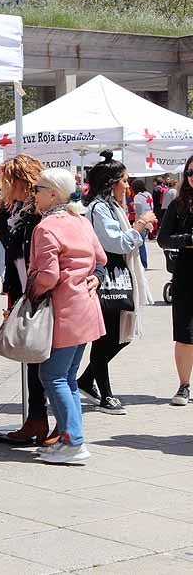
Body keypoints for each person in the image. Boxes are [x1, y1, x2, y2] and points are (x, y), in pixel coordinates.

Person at [28, 169, 106, 465]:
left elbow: (47, 276)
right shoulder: (80, 220)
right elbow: (101, 258)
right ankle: (70, 437)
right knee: (67, 377)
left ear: (53, 193)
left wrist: (31, 294)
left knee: (52, 376)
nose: (34, 194)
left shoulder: (47, 226)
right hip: (85, 308)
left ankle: (73, 439)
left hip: (64, 310)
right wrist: (95, 275)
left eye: (38, 189)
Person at [78, 151, 154, 416]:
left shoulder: (113, 207)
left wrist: (137, 230)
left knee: (122, 336)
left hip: (119, 274)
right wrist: (140, 226)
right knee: (109, 336)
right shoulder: (99, 208)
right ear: (111, 182)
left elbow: (127, 241)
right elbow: (116, 242)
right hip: (106, 276)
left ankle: (86, 380)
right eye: (124, 180)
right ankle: (105, 394)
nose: (128, 185)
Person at [0, 155, 53, 445]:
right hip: (23, 292)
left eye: (7, 182)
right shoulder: (14, 211)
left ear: (19, 182)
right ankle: (36, 419)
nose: (3, 187)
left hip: (42, 292)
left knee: (46, 362)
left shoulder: (40, 213)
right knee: (30, 357)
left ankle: (54, 423)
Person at [159, 156, 193, 406]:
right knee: (184, 334)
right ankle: (183, 385)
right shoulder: (179, 205)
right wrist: (188, 239)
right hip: (185, 276)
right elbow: (163, 238)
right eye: (190, 172)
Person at [131, 179, 153, 269]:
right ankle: (144, 264)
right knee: (142, 242)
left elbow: (138, 212)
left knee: (140, 244)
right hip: (150, 219)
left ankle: (143, 264)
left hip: (143, 221)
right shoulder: (148, 194)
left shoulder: (138, 197)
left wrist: (136, 224)